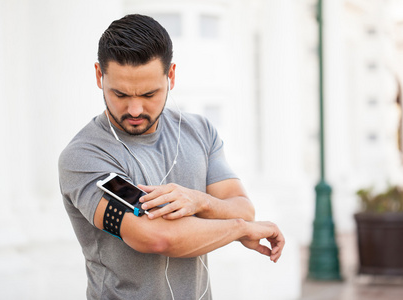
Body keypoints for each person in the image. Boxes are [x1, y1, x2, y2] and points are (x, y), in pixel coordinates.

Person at [59, 14, 285, 300]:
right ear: (98, 76)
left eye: (149, 93)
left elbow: (242, 207)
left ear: (171, 76)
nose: (136, 109)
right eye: (120, 94)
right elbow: (155, 237)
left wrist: (199, 200)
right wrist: (240, 229)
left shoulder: (200, 131)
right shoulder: (84, 156)